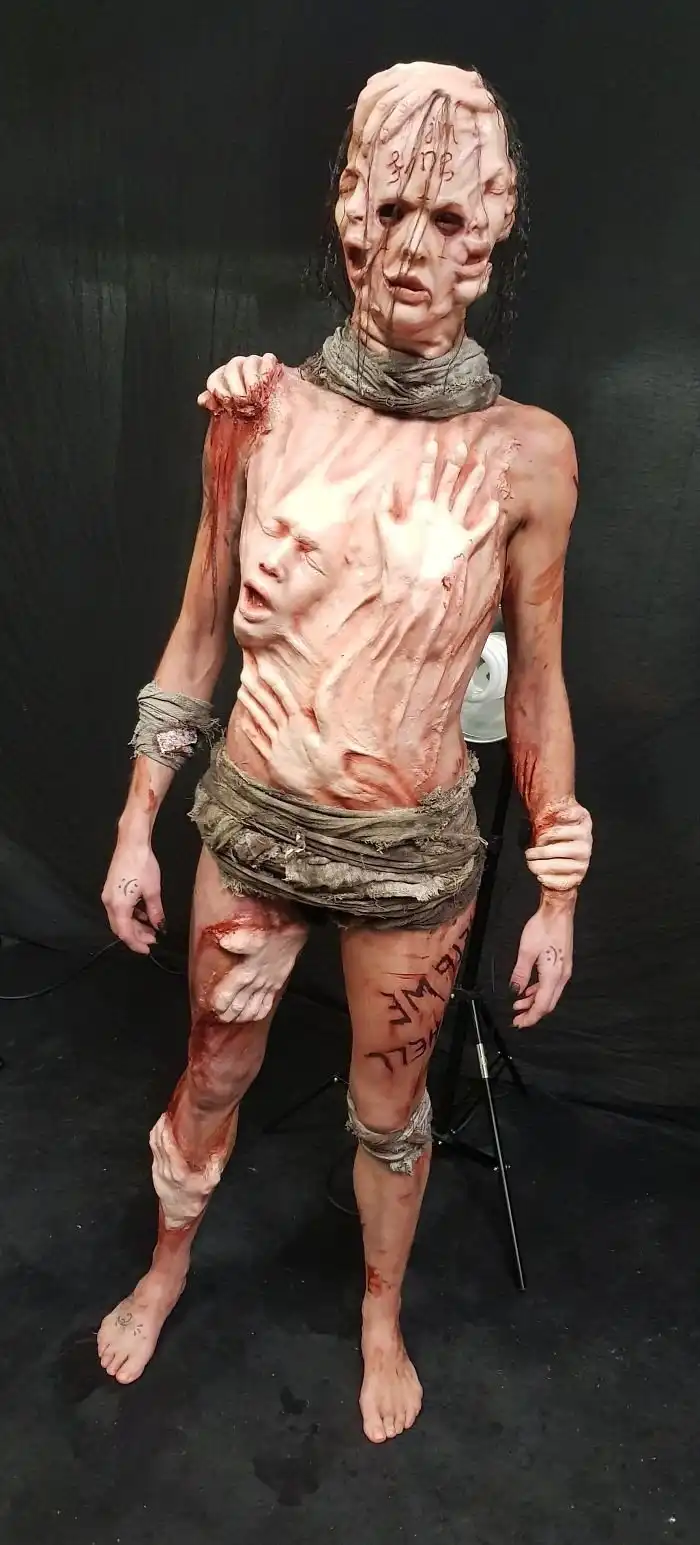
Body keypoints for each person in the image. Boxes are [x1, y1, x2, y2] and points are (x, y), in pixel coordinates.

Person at [98, 61, 593, 1443]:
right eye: (391, 212)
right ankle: (166, 1268)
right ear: (348, 213)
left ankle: (380, 1316)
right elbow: (197, 635)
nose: (414, 250)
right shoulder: (262, 414)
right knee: (212, 1071)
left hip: (414, 853)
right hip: (255, 824)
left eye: (450, 220)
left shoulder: (527, 458)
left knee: (391, 1107)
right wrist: (138, 823)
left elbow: (538, 687)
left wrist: (556, 893)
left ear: (490, 236)